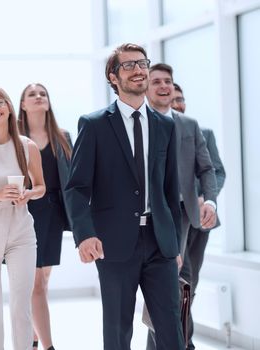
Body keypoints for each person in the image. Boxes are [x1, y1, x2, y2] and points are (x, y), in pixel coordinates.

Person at [66, 43, 185, 350]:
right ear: (113, 77)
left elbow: (170, 190)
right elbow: (77, 187)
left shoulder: (165, 126)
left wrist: (176, 243)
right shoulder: (93, 125)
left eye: (142, 63)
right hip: (113, 242)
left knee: (171, 328)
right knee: (118, 330)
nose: (138, 70)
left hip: (160, 242)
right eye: (129, 65)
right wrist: (84, 234)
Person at [146, 63, 218, 350]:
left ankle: (179, 345)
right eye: (157, 82)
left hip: (183, 216)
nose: (164, 86)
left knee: (181, 285)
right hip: (149, 215)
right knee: (164, 285)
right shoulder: (139, 123)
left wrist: (209, 200)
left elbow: (208, 168)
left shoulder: (189, 125)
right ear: (146, 87)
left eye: (169, 82)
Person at [172, 82, 226, 350]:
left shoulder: (202, 132)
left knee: (188, 285)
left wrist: (209, 198)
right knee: (178, 284)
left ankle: (168, 341)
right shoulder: (159, 134)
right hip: (173, 219)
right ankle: (184, 343)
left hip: (201, 221)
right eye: (173, 99)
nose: (178, 103)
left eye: (181, 99)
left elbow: (216, 171)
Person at [18, 83, 72, 350]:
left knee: (43, 280)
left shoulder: (62, 136)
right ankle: (49, 346)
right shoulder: (13, 137)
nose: (39, 97)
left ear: (48, 103)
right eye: (32, 94)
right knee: (36, 283)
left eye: (43, 94)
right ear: (23, 105)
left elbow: (72, 179)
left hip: (53, 213)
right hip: (23, 212)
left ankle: (34, 337)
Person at [0, 87, 45, 350]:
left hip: (21, 231)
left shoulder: (27, 146)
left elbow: (40, 186)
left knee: (20, 305)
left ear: (10, 106)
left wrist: (28, 194)